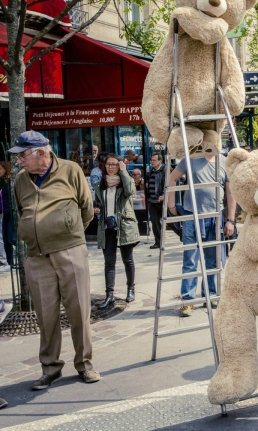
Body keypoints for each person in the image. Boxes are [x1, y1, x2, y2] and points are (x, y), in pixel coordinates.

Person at [10, 130, 100, 389]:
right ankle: (50, 368)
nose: (19, 162)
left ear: (41, 153)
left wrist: (67, 233)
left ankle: (85, 364)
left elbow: (86, 208)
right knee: (45, 315)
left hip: (69, 250)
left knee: (79, 311)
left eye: (22, 156)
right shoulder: (21, 180)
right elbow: (21, 211)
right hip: (36, 256)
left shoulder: (70, 170)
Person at [167, 156, 236, 317]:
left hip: (214, 217)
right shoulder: (190, 159)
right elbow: (171, 178)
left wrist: (230, 219)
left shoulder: (224, 161)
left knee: (212, 259)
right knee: (190, 259)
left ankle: (210, 295)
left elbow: (230, 192)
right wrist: (171, 205)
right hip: (192, 216)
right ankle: (188, 299)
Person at [93, 154, 139, 308]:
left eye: (114, 164)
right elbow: (98, 204)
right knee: (109, 263)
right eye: (108, 164)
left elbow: (130, 191)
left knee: (128, 260)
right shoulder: (100, 185)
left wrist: (125, 172)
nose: (110, 167)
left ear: (120, 166)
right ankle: (109, 295)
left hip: (124, 226)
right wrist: (97, 209)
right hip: (107, 227)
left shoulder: (126, 182)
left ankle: (131, 289)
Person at [147, 152, 166, 249]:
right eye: (151, 160)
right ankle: (158, 242)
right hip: (152, 201)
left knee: (169, 221)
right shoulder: (151, 171)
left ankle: (182, 235)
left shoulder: (165, 171)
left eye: (154, 160)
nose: (152, 162)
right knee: (154, 222)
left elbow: (167, 185)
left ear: (160, 161)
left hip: (162, 201)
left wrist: (163, 195)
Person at [0, 162, 14, 269]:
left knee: (11, 237)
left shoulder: (10, 181)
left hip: (11, 212)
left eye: (0, 168)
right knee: (5, 239)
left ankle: (15, 260)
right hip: (4, 213)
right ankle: (9, 263)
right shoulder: (2, 181)